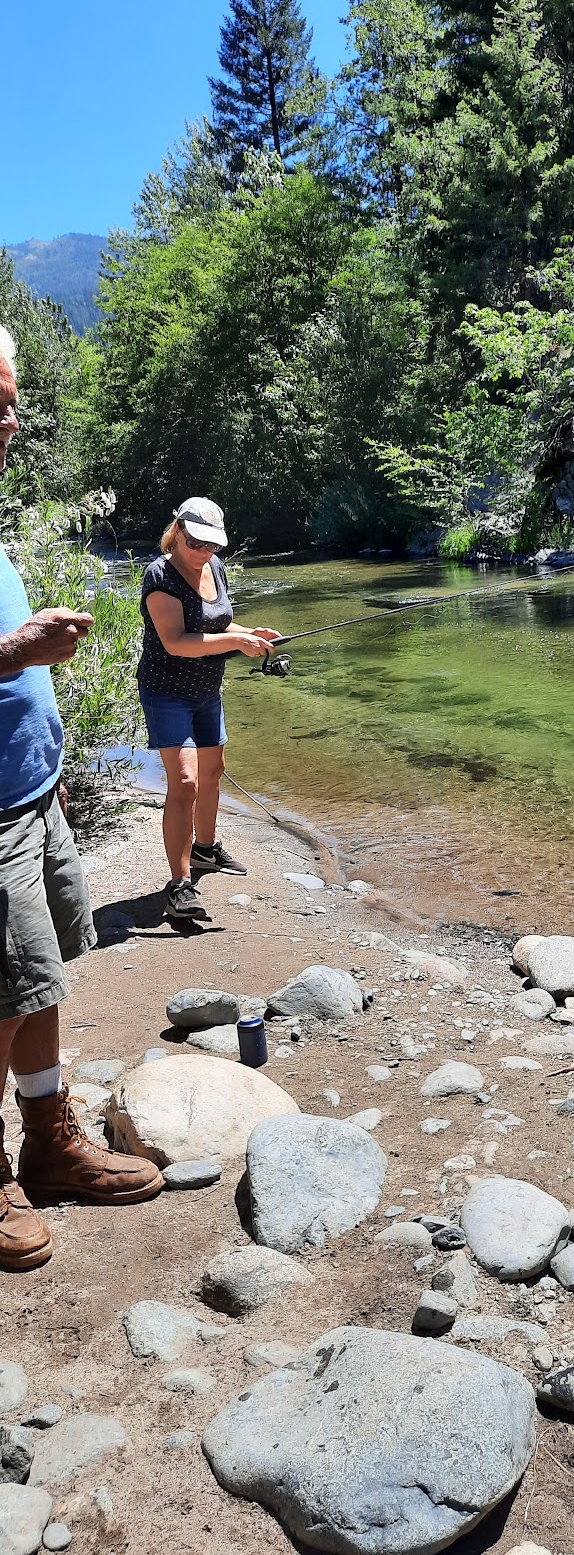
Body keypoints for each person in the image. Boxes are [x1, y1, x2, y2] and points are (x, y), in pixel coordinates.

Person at [0, 325, 164, 1273]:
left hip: (29, 793)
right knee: (4, 990)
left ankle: (48, 1139)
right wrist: (15, 654)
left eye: (13, 398)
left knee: (43, 977)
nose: (12, 417)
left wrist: (48, 757)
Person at [139, 498, 279, 919]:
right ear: (179, 532)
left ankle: (205, 850)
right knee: (184, 781)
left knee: (213, 773)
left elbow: (214, 624)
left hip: (207, 689)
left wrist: (248, 633)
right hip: (166, 691)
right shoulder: (159, 575)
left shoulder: (214, 568)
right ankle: (179, 885)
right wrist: (237, 643)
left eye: (212, 546)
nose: (205, 553)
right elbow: (177, 641)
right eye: (198, 543)